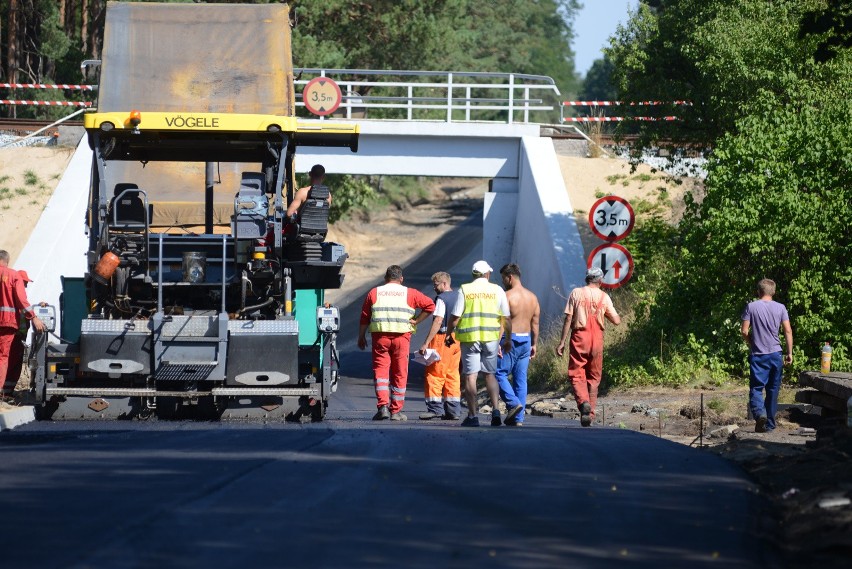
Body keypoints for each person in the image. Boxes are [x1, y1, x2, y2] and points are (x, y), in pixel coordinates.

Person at [358, 265, 435, 421]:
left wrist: (361, 336)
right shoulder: (410, 293)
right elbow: (430, 306)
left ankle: (383, 407)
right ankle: (395, 411)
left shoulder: (375, 292)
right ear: (401, 279)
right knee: (400, 372)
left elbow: (365, 316)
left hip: (380, 338)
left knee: (381, 372)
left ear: (385, 278)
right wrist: (417, 321)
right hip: (402, 338)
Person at [446, 260, 512, 427]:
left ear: (474, 274)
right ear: (487, 274)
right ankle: (496, 411)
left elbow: (455, 317)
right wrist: (507, 339)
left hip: (470, 339)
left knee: (471, 376)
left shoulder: (465, 289)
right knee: (490, 375)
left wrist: (448, 334)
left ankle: (473, 416)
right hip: (491, 339)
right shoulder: (497, 290)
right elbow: (506, 318)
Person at [556, 267, 620, 427]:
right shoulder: (604, 297)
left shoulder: (576, 293)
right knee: (594, 378)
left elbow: (568, 319)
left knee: (577, 374)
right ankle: (590, 415)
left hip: (580, 337)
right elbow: (617, 320)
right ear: (600, 280)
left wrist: (562, 341)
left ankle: (583, 402)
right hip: (597, 340)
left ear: (587, 279)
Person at [741, 278, 793, 433]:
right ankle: (769, 425)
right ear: (774, 292)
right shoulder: (781, 308)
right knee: (773, 390)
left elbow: (744, 331)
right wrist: (789, 353)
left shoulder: (751, 307)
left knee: (756, 388)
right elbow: (788, 331)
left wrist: (751, 343)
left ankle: (759, 414)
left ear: (759, 291)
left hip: (759, 355)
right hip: (776, 355)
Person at [495, 263, 540, 427]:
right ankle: (518, 419)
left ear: (510, 277)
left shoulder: (507, 296)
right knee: (520, 380)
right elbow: (535, 324)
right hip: (526, 340)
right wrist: (534, 344)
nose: (503, 282)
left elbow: (503, 322)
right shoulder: (533, 297)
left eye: (503, 279)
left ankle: (513, 403)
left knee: (498, 373)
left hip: (510, 339)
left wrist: (499, 342)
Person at [1, 251, 46, 401]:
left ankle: (7, 393)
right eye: (25, 282)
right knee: (4, 360)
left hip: (16, 336)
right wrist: (34, 316)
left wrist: (38, 307)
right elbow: (22, 305)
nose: (26, 285)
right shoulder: (13, 281)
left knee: (13, 365)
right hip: (9, 330)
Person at [417, 271, 462, 420]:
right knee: (452, 374)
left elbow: (438, 321)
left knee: (435, 373)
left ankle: (435, 409)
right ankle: (453, 411)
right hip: (457, 339)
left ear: (444, 283)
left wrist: (425, 343)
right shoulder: (459, 296)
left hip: (442, 338)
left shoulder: (441, 299)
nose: (434, 288)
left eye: (436, 285)